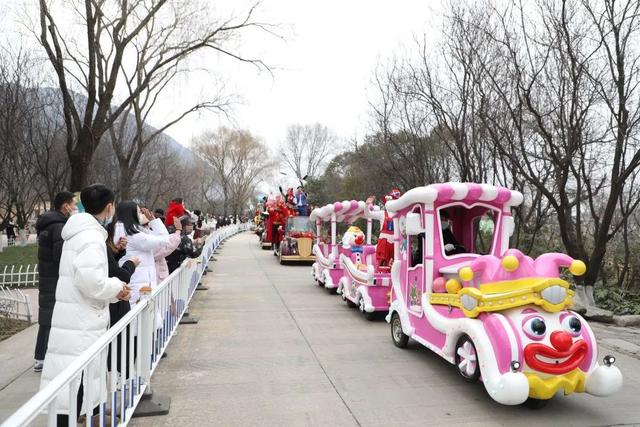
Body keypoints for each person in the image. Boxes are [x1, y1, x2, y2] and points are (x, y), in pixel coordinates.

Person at [40, 184, 130, 426]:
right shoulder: (91, 238)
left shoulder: (79, 233)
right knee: (76, 381)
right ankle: (85, 417)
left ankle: (91, 416)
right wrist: (117, 288)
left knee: (74, 380)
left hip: (75, 316)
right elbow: (91, 282)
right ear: (109, 207)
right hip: (81, 321)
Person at [33, 191, 76, 372]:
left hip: (47, 276)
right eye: (73, 204)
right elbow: (61, 256)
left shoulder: (47, 224)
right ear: (65, 206)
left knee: (47, 317)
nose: (75, 208)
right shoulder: (58, 227)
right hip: (55, 278)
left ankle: (41, 355)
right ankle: (42, 357)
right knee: (51, 317)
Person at [114, 202, 176, 307]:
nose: (142, 214)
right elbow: (164, 239)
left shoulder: (123, 230)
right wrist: (154, 221)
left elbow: (155, 237)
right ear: (131, 214)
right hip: (138, 285)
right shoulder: (133, 235)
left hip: (136, 281)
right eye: (139, 212)